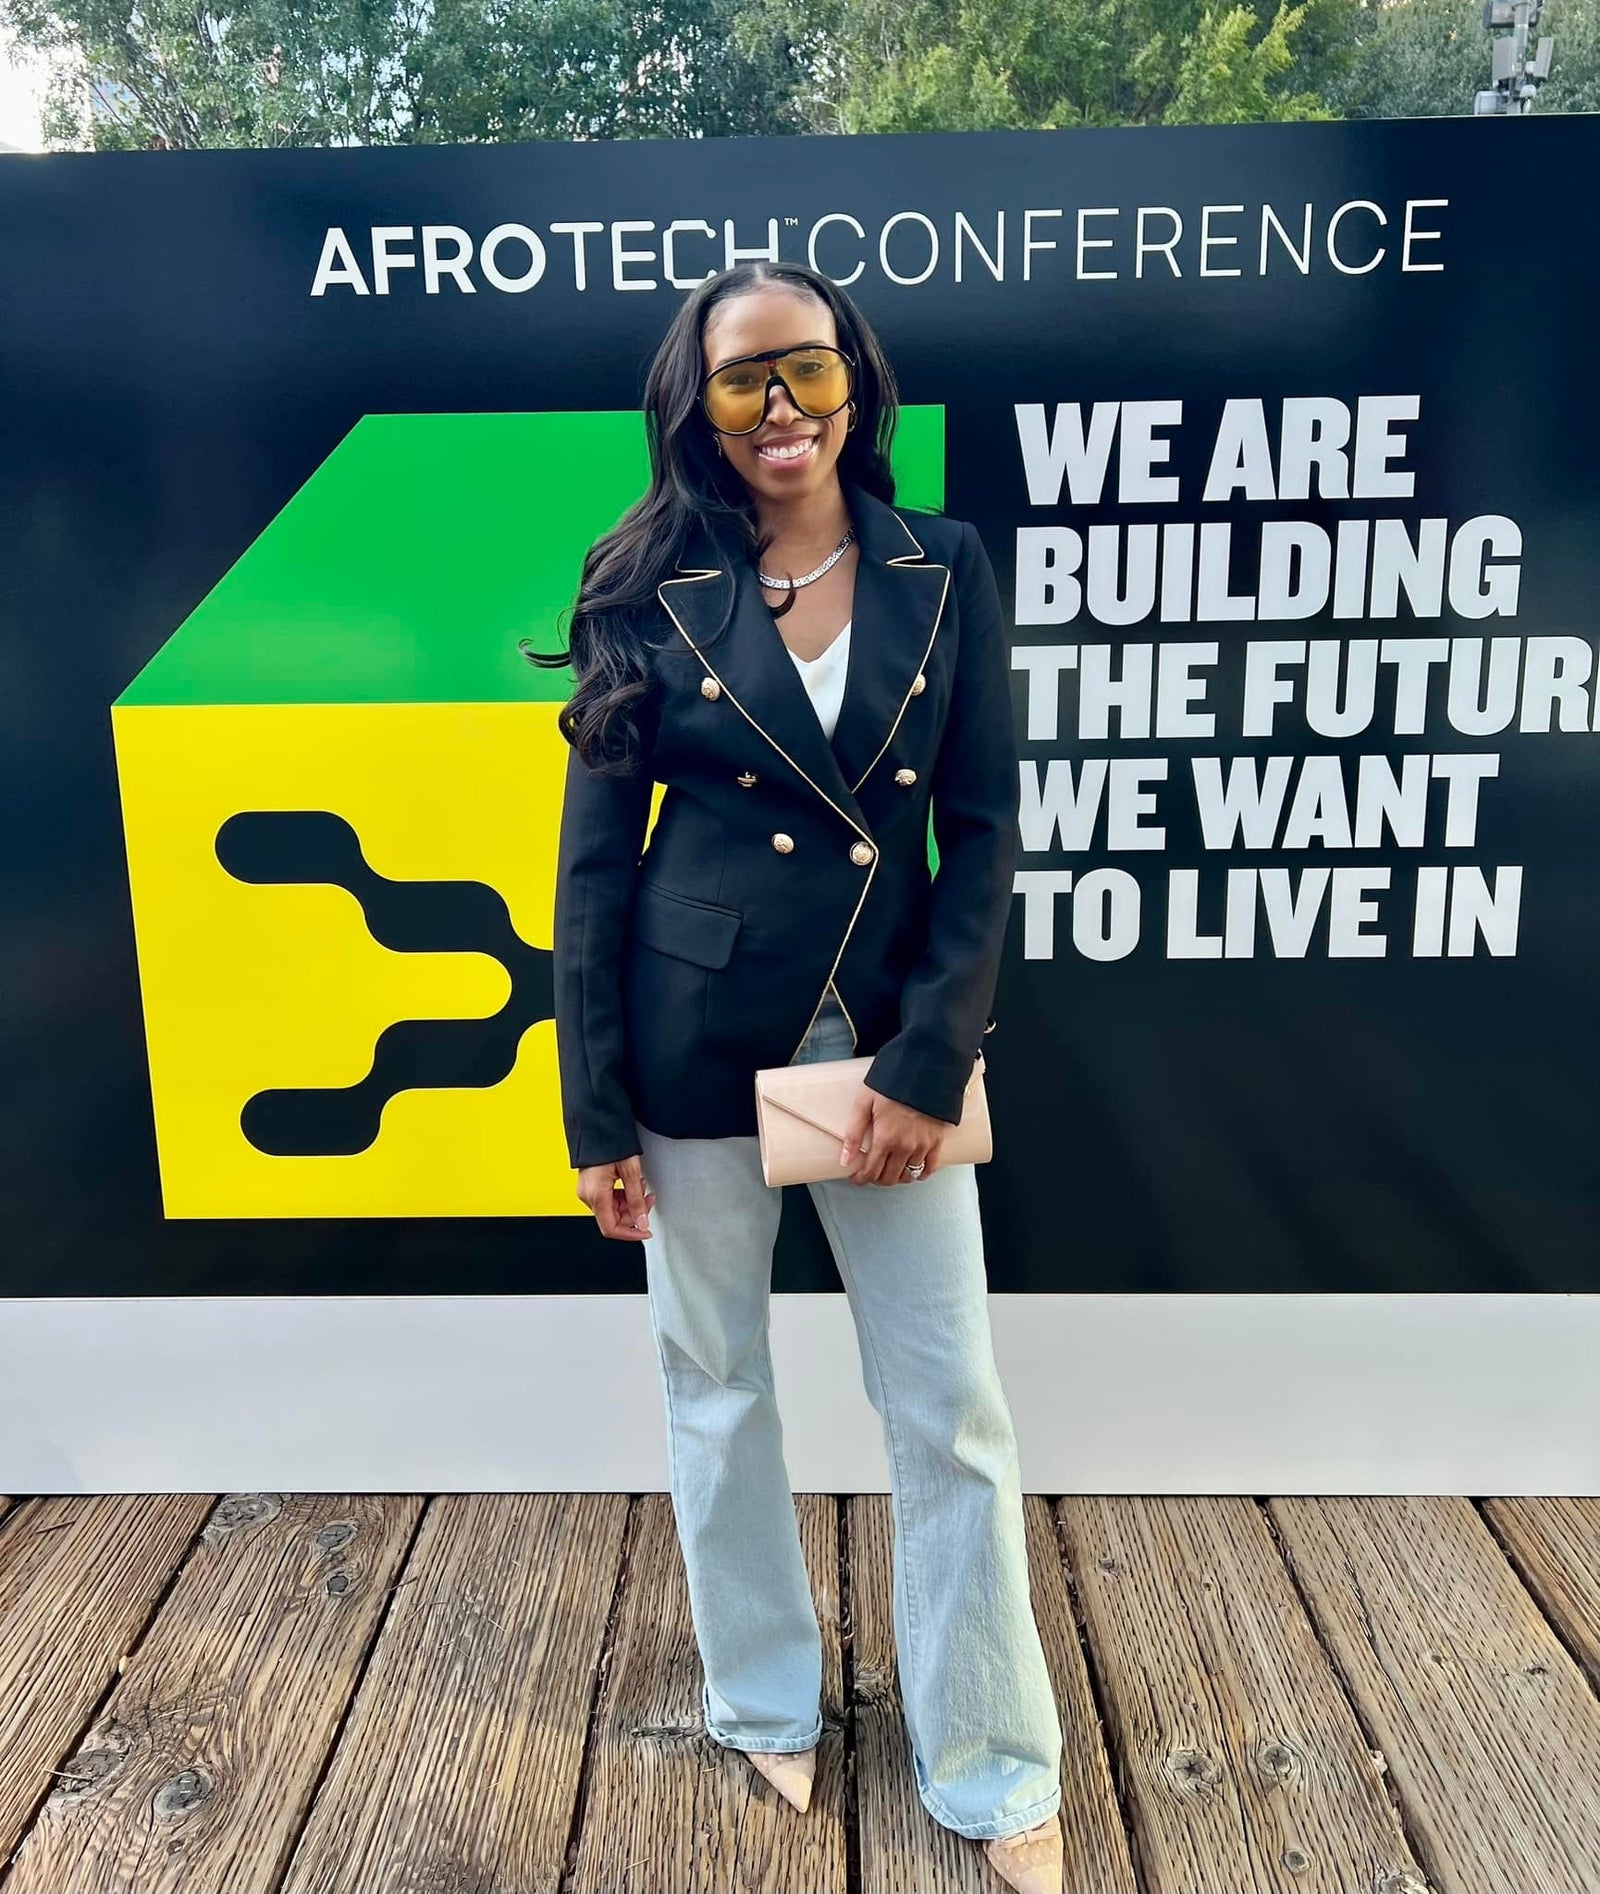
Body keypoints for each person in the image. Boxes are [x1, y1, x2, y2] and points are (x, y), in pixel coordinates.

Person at [533, 258, 1065, 1894]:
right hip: (689, 1045)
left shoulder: (941, 564)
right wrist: (596, 1114)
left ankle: (990, 1760)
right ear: (701, 401)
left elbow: (979, 832)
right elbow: (594, 875)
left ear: (856, 381)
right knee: (718, 1389)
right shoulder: (645, 585)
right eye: (746, 378)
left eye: (808, 372)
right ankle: (763, 1693)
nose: (782, 409)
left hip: (889, 1053)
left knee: (954, 1412)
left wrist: (931, 1054)